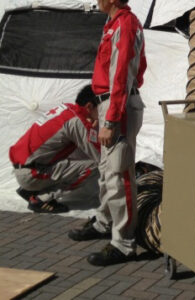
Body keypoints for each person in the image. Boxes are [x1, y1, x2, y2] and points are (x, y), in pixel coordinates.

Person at [68, 0, 146, 266]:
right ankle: (105, 222)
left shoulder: (124, 23)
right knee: (107, 171)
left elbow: (122, 74)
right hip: (111, 104)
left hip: (117, 108)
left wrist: (111, 119)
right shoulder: (115, 22)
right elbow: (140, 67)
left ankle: (124, 244)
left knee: (119, 175)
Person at [9, 85, 100, 213]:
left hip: (22, 166)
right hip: (31, 174)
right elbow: (99, 155)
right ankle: (41, 199)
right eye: (102, 108)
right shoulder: (77, 122)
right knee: (95, 167)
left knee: (72, 154)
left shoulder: (67, 108)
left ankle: (30, 189)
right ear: (89, 107)